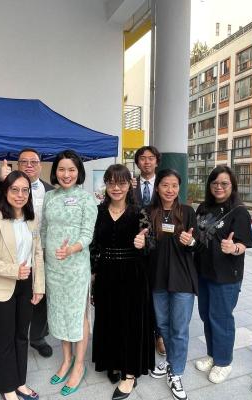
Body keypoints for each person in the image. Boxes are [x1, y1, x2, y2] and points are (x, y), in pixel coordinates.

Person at [91, 164, 154, 400]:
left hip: (132, 275)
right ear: (106, 185)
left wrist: (143, 243)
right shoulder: (98, 211)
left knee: (130, 322)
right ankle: (113, 360)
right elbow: (94, 245)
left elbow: (152, 242)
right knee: (109, 319)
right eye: (111, 183)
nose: (116, 188)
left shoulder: (139, 212)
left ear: (129, 185)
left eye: (121, 183)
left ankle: (130, 373)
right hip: (106, 274)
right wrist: (93, 273)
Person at [0, 170, 45, 400]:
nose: (20, 195)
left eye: (25, 190)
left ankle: (21, 382)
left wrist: (39, 286)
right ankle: (7, 387)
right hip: (1, 285)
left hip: (26, 284)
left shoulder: (32, 219)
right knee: (6, 336)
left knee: (21, 335)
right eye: (14, 190)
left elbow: (37, 254)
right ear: (6, 191)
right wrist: (13, 270)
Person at [0, 148, 54, 358]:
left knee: (40, 295)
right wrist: (0, 181)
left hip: (44, 250)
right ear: (17, 165)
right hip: (14, 252)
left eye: (33, 161)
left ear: (40, 165)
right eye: (24, 162)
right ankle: (12, 337)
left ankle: (38, 336)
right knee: (16, 300)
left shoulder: (51, 191)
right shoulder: (5, 188)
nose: (29, 165)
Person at [41, 150, 97, 396]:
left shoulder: (86, 199)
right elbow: (44, 229)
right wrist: (43, 257)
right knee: (59, 312)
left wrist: (71, 249)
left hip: (75, 266)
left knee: (77, 314)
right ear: (55, 172)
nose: (66, 174)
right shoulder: (49, 197)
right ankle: (66, 359)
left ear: (78, 172)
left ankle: (79, 364)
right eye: (62, 169)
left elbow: (88, 234)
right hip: (54, 267)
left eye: (71, 170)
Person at [192, 165, 252, 384]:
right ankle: (212, 355)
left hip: (226, 276)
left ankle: (224, 362)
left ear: (232, 185)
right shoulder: (203, 207)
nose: (219, 187)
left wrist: (233, 248)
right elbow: (197, 235)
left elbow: (245, 243)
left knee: (221, 318)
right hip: (203, 272)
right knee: (206, 315)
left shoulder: (239, 211)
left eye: (224, 183)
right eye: (215, 183)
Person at [147, 169, 197, 400]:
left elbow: (199, 245)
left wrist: (191, 241)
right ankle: (170, 361)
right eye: (165, 185)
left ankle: (176, 373)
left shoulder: (187, 212)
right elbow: (146, 246)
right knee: (163, 325)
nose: (170, 190)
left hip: (182, 279)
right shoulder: (149, 212)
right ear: (157, 187)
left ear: (179, 188)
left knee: (179, 329)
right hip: (157, 278)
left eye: (174, 185)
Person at [132, 145, 166, 356]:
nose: (146, 162)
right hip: (134, 246)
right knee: (137, 292)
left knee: (158, 292)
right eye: (142, 158)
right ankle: (140, 332)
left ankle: (159, 334)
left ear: (157, 161)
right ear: (137, 162)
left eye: (150, 158)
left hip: (158, 247)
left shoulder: (164, 184)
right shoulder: (130, 184)